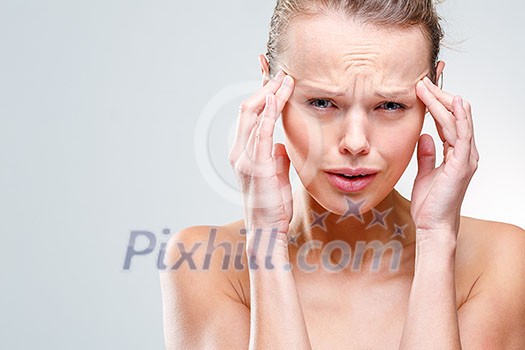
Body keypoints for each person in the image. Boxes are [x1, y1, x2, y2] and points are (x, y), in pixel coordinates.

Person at [160, 0, 525, 348]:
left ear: (434, 93)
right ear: (268, 87)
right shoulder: (201, 264)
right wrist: (265, 240)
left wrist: (437, 239)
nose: (355, 142)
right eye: (321, 102)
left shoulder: (501, 259)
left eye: (390, 105)